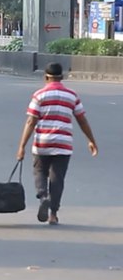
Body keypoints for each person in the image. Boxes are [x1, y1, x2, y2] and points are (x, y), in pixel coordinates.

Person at [16, 62, 98, 225]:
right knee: (57, 179)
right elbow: (82, 119)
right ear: (62, 77)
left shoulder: (39, 95)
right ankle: (53, 214)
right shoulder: (72, 95)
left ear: (46, 77)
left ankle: (43, 195)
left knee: (39, 171)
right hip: (63, 144)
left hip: (42, 143)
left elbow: (31, 121)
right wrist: (91, 140)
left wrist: (22, 146)